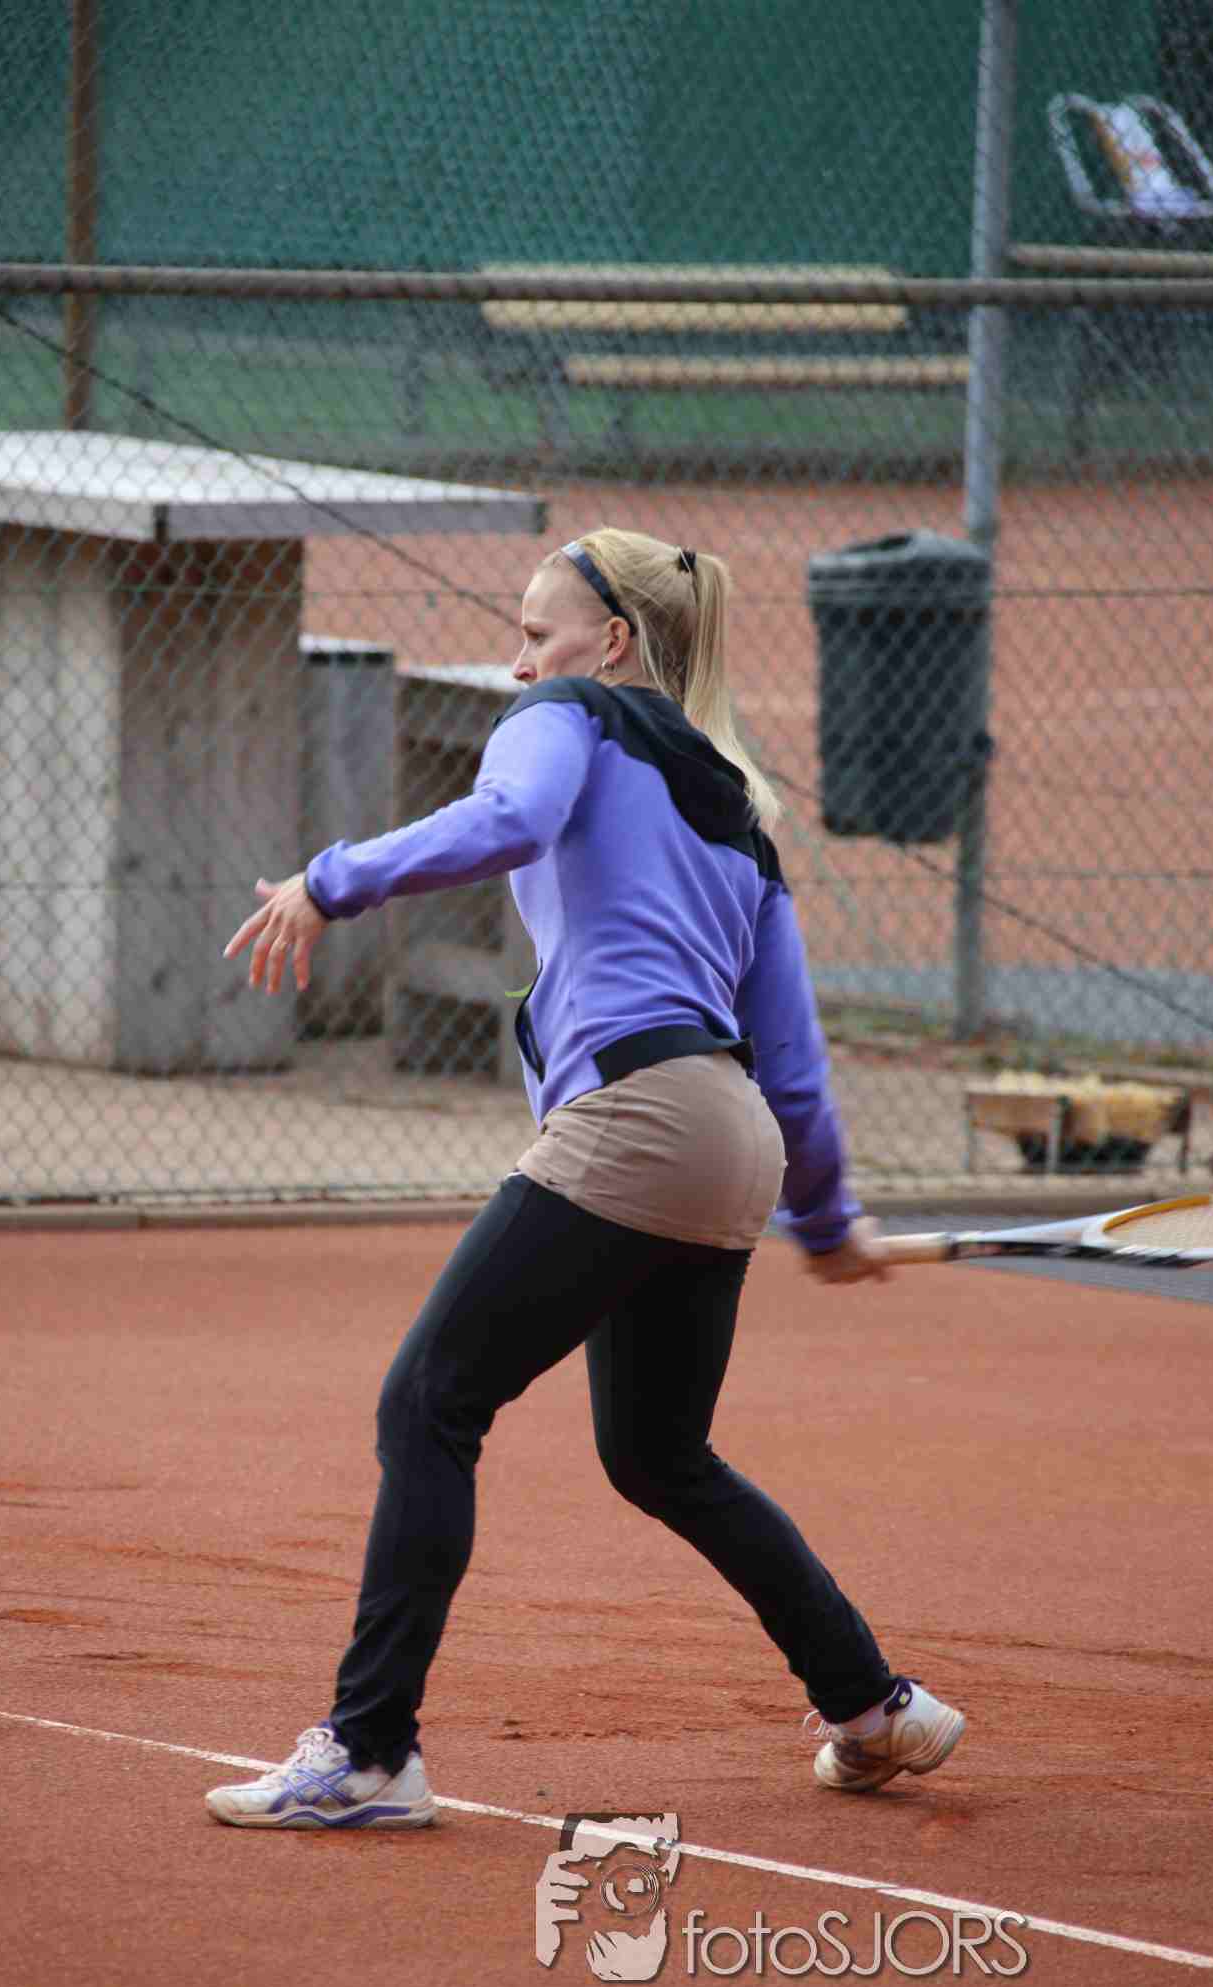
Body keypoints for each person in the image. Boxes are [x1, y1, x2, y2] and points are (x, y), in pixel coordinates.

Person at [206, 528, 964, 1830]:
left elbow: (510, 819)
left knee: (430, 1403)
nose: (518, 665)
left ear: (610, 643)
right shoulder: (742, 819)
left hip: (640, 1119)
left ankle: (371, 1753)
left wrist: (332, 883)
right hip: (727, 1139)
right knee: (661, 1455)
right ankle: (871, 1706)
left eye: (535, 633)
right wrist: (825, 1216)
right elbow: (790, 1061)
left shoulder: (571, 717)